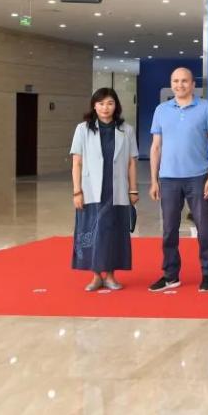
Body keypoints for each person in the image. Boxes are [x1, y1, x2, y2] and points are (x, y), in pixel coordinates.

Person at [148, 67, 208, 292]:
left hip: (198, 177)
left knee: (204, 229)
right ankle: (170, 275)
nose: (180, 85)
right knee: (169, 229)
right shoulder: (161, 110)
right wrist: (154, 180)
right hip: (168, 178)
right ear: (171, 84)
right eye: (176, 81)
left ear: (192, 84)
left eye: (184, 81)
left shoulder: (206, 107)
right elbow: (156, 147)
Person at [70, 88, 138, 291]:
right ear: (94, 106)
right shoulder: (83, 129)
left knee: (114, 232)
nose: (105, 108)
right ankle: (95, 276)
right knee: (92, 231)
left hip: (117, 190)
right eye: (101, 103)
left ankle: (110, 276)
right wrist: (77, 191)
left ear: (116, 105)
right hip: (90, 190)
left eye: (109, 103)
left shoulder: (127, 130)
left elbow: (131, 163)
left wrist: (133, 189)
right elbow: (77, 163)